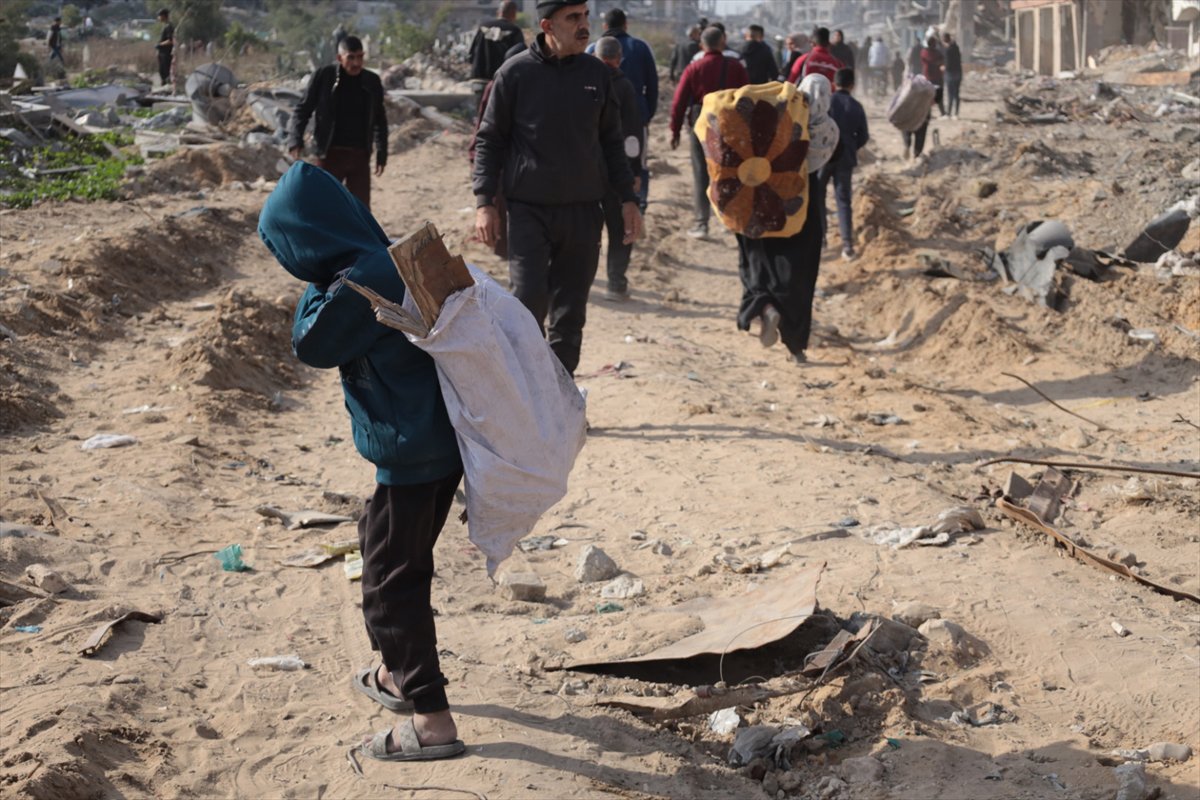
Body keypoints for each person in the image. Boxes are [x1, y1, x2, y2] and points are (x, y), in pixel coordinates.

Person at [258, 162, 466, 765]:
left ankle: (431, 718)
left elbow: (310, 343)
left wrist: (325, 279)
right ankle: (395, 672)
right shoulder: (389, 257)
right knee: (381, 540)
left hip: (412, 451)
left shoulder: (359, 284)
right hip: (436, 443)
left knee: (389, 585)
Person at [473, 0, 642, 376]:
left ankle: (559, 399)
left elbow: (612, 142)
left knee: (570, 313)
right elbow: (490, 140)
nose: (585, 26)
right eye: (574, 19)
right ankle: (527, 395)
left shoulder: (596, 74)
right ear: (548, 25)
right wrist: (485, 202)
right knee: (529, 302)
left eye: (585, 16)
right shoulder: (515, 74)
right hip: (528, 209)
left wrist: (628, 200)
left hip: (583, 211)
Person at [736, 74, 839, 366]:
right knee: (801, 274)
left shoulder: (784, 121)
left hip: (772, 198)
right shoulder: (830, 129)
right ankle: (796, 345)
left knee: (761, 257)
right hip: (807, 204)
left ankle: (764, 304)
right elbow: (836, 157)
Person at [288, 36, 388, 209]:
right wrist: (295, 140)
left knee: (361, 211)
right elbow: (303, 110)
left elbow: (379, 118)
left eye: (360, 57)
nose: (356, 63)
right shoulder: (324, 77)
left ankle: (357, 237)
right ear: (339, 58)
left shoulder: (371, 81)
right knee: (325, 208)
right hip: (329, 154)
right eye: (351, 57)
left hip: (360, 155)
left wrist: (382, 152)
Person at [669, 25, 749, 239]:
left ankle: (701, 223)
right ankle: (728, 218)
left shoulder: (694, 68)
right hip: (729, 125)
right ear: (723, 42)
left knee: (701, 172)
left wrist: (674, 130)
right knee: (728, 170)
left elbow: (679, 102)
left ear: (701, 45)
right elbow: (747, 99)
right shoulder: (735, 67)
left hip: (701, 123)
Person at [586, 8, 657, 212]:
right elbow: (652, 86)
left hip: (599, 120)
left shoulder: (593, 49)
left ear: (605, 26)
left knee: (600, 159)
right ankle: (639, 202)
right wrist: (646, 114)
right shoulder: (640, 47)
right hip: (636, 119)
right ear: (626, 25)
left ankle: (600, 201)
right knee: (637, 161)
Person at [595, 36, 645, 301]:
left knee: (586, 229)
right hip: (617, 169)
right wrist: (634, 171)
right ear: (619, 58)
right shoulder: (624, 87)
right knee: (620, 227)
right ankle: (616, 283)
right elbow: (633, 135)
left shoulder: (584, 82)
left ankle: (582, 281)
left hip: (586, 170)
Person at [819, 68, 869, 260]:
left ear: (834, 83)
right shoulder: (855, 106)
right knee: (843, 200)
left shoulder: (825, 103)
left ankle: (821, 239)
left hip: (823, 156)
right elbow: (863, 136)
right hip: (845, 158)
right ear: (852, 85)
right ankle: (847, 245)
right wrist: (850, 147)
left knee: (818, 197)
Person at [468, 1, 524, 93]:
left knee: (481, 106)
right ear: (514, 13)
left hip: (479, 81)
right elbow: (519, 59)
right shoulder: (514, 31)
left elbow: (471, 55)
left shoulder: (483, 27)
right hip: (501, 83)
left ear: (498, 12)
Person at [921, 34, 945, 116]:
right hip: (935, 78)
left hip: (929, 77)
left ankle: (928, 113)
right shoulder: (936, 53)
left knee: (929, 97)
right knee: (937, 96)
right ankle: (941, 112)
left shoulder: (924, 52)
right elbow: (941, 61)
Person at [942, 32, 962, 118]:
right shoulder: (956, 47)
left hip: (950, 74)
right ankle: (956, 113)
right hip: (958, 72)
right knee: (956, 94)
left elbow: (948, 64)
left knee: (950, 94)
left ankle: (949, 113)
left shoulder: (948, 50)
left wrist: (943, 68)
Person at [155, 8, 174, 88]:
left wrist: (160, 44)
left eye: (159, 16)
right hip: (162, 53)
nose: (158, 18)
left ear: (163, 16)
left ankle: (167, 87)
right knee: (161, 71)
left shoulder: (169, 26)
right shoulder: (165, 26)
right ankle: (164, 86)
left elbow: (170, 40)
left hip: (166, 53)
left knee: (165, 72)